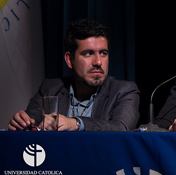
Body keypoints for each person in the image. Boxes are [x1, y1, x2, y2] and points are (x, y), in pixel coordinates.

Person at [8, 18, 140, 131]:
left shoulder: (124, 91)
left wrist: (76, 123)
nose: (98, 62)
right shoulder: (50, 88)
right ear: (69, 60)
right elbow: (32, 127)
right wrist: (22, 124)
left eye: (103, 53)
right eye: (88, 53)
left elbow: (122, 128)